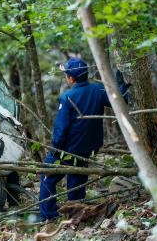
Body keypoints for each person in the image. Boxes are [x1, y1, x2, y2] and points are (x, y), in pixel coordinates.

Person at [39, 57, 129, 221]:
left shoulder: (67, 98)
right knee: (78, 176)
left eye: (66, 75)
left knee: (47, 176)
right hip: (88, 149)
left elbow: (60, 130)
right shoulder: (98, 90)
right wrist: (122, 87)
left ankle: (48, 216)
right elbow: (121, 102)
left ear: (71, 78)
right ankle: (76, 213)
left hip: (67, 151)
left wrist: (55, 149)